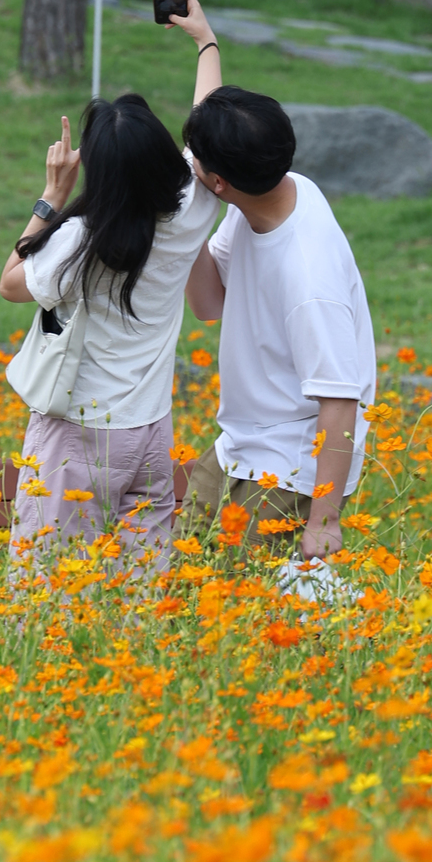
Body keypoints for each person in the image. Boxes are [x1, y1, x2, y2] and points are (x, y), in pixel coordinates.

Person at [0, 0, 224, 577]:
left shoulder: (78, 242)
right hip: (150, 433)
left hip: (76, 435)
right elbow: (207, 118)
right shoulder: (194, 206)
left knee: (49, 593)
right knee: (138, 598)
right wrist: (205, 40)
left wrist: (52, 196)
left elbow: (11, 282)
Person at [180, 87, 376, 559]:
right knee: (179, 567)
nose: (186, 164)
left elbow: (340, 400)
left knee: (236, 610)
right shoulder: (276, 190)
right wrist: (181, 226)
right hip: (241, 442)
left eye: (194, 162)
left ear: (220, 182)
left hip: (292, 466)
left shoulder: (310, 279)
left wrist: (324, 521)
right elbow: (209, 303)